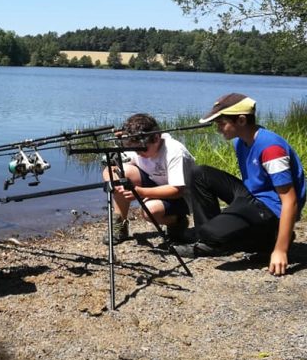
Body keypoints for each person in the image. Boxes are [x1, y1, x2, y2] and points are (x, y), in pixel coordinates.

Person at [173, 93, 305, 276]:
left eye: (222, 123)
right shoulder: (240, 141)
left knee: (212, 233)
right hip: (252, 196)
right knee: (199, 173)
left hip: (271, 207)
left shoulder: (271, 149)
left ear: (241, 120)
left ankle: (272, 239)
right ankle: (208, 242)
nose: (218, 129)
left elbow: (290, 201)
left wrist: (280, 250)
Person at [101, 113, 196, 243]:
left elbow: (177, 190)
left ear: (156, 138)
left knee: (149, 211)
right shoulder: (138, 146)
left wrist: (140, 192)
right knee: (122, 172)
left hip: (182, 197)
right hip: (155, 184)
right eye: (135, 151)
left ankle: (178, 222)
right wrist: (111, 183)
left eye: (142, 150)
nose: (138, 153)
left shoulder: (175, 151)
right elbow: (109, 169)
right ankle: (119, 226)